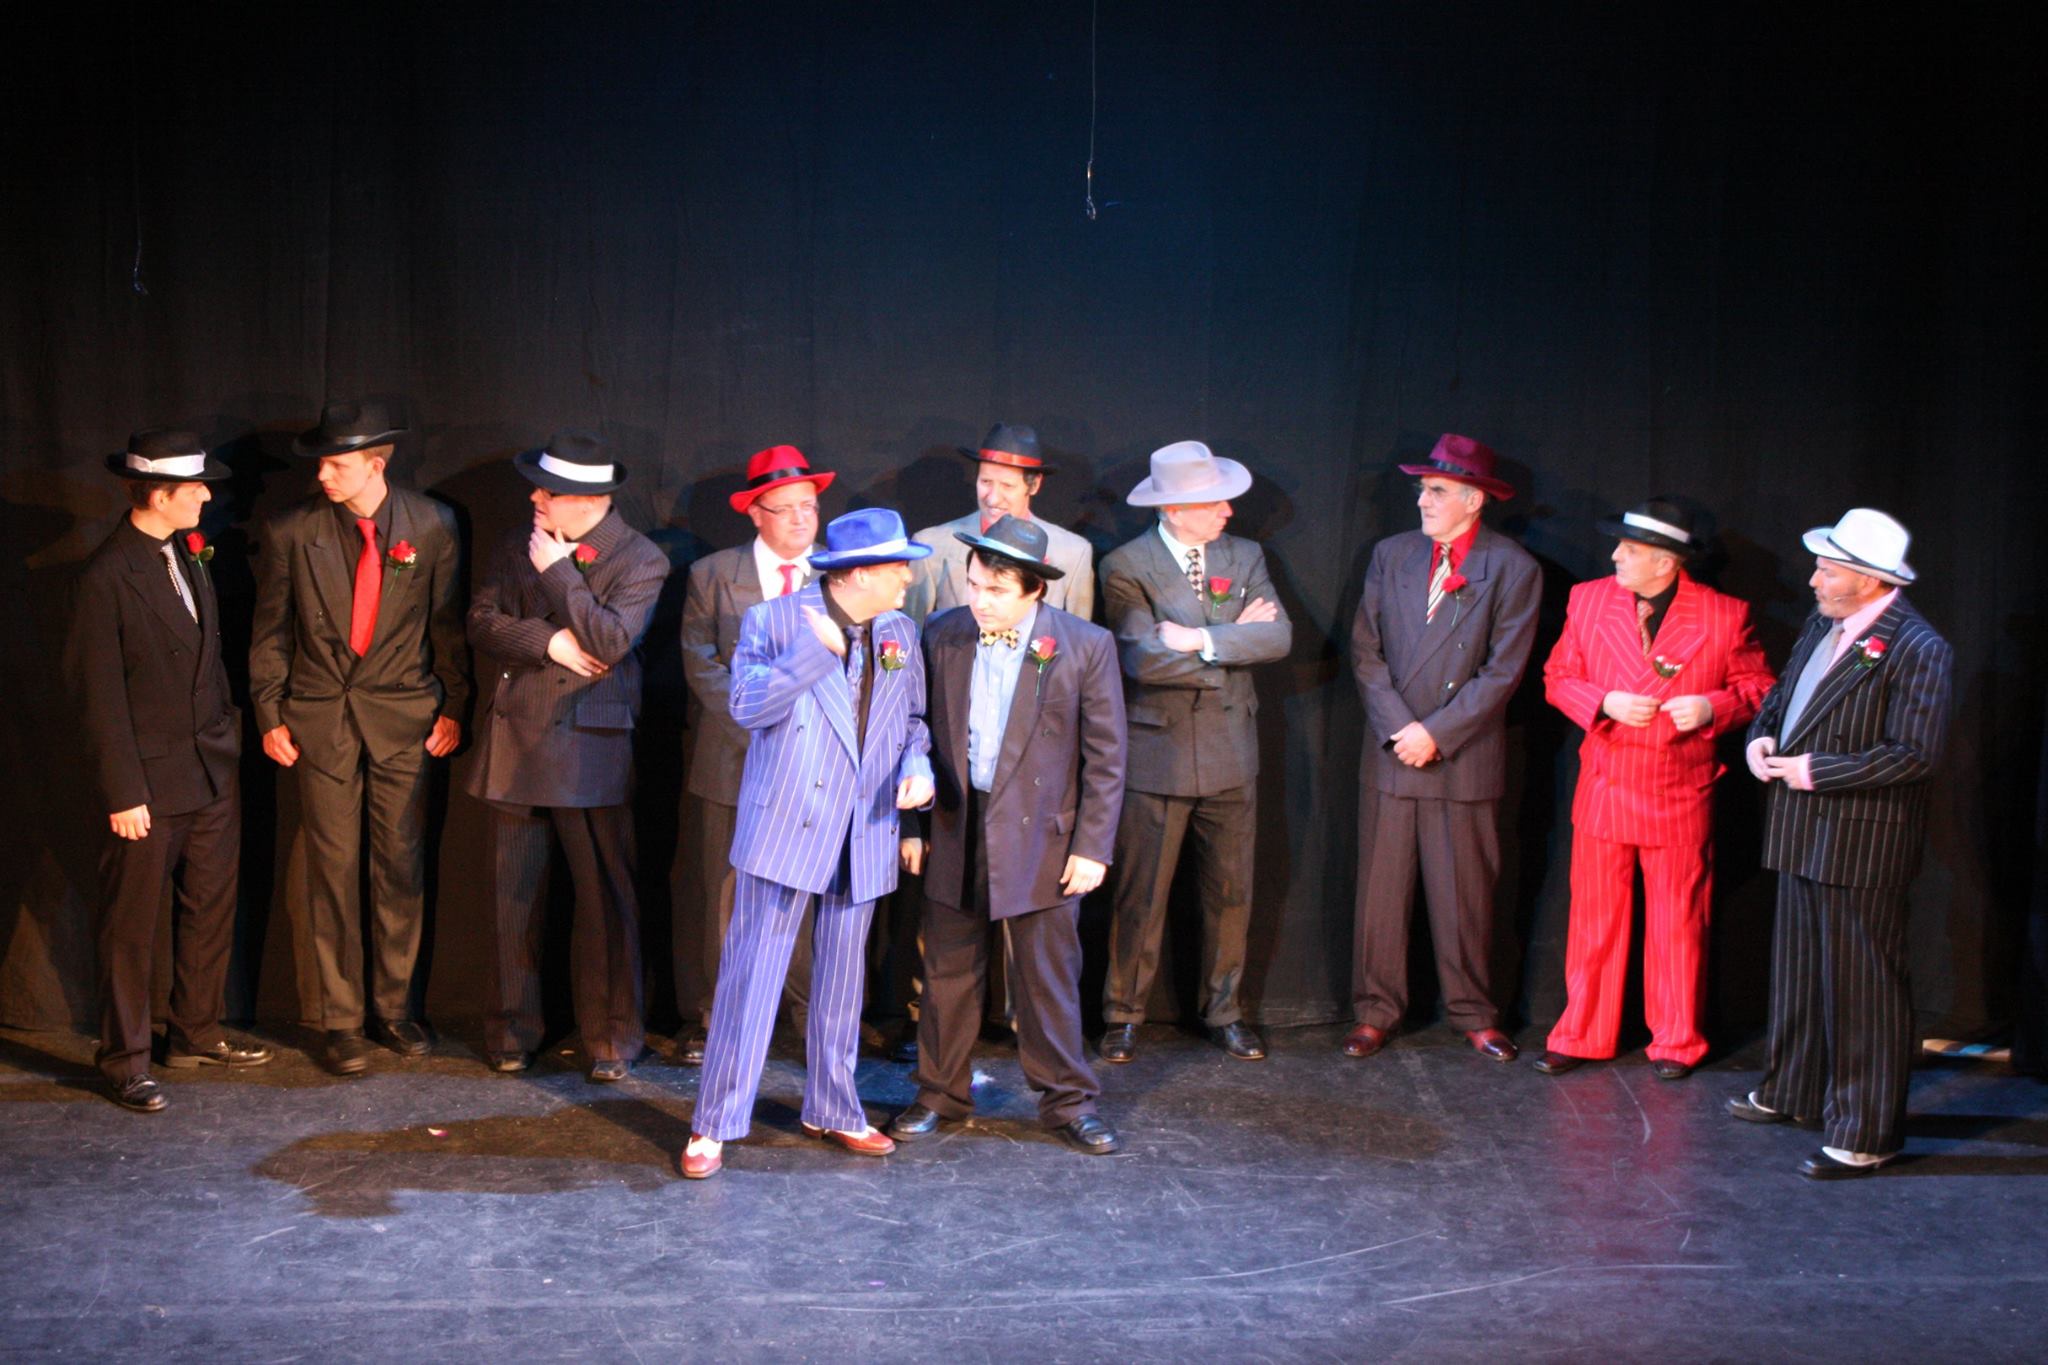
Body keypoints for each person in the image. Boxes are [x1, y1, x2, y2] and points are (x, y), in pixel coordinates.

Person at [682, 509, 935, 1179]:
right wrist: (810, 654)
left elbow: (912, 719)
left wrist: (918, 766)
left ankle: (833, 1105)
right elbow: (747, 707)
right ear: (857, 574)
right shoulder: (774, 621)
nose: (908, 578)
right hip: (788, 822)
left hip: (864, 825)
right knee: (753, 975)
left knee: (843, 982)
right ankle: (715, 1121)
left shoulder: (900, 631)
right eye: (897, 567)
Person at [888, 516, 1127, 1155]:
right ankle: (939, 1093)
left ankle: (1068, 1102)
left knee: (1047, 978)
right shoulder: (942, 633)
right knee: (947, 972)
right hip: (956, 824)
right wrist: (911, 826)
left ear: (1034, 591)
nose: (980, 600)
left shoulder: (1084, 645)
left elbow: (1107, 758)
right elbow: (911, 731)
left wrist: (1092, 845)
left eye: (995, 590)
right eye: (974, 585)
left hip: (1042, 835)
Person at [249, 398, 470, 1076]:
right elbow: (271, 630)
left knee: (400, 864)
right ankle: (340, 1019)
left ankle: (394, 1008)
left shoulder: (430, 524)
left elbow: (446, 624)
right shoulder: (293, 530)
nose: (322, 476)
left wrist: (454, 704)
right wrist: (269, 712)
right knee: (332, 868)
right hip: (322, 718)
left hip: (404, 715)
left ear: (376, 465)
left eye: (336, 465)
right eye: (320, 465)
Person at [1732, 508, 1952, 1179]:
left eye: (1827, 570)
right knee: (1798, 971)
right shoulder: (1822, 623)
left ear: (1868, 578)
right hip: (1800, 827)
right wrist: (1762, 738)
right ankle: (1791, 1090)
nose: (1814, 580)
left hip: (1861, 842)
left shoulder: (1918, 647)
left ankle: (1866, 1132)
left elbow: (1914, 753)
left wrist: (1815, 770)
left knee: (1864, 989)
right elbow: (1784, 698)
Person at [65, 430, 273, 1111]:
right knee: (131, 927)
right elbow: (98, 696)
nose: (207, 496)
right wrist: (124, 791)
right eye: (195, 488)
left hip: (210, 769)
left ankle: (195, 1031)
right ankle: (125, 1058)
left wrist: (226, 737)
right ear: (158, 495)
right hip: (149, 785)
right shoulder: (106, 576)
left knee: (209, 907)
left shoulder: (185, 553)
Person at [1535, 499, 1773, 1079]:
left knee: (1678, 922)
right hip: (1606, 784)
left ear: (1667, 562)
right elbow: (1557, 677)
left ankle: (1676, 1040)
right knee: (1594, 921)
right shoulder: (1588, 599)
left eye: (1632, 549)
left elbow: (1761, 690)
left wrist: (1712, 707)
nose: (1616, 555)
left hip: (1679, 789)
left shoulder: (1723, 615)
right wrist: (1603, 701)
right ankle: (1582, 1033)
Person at [466, 432, 671, 1081]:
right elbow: (481, 620)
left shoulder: (641, 558)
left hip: (590, 743)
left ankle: (610, 1038)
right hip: (518, 736)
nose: (534, 498)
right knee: (513, 896)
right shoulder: (516, 541)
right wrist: (548, 642)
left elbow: (610, 639)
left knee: (605, 899)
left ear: (584, 500)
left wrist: (558, 573)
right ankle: (510, 1029)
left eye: (546, 491)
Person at [1346, 434, 1540, 1065]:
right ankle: (1375, 1011)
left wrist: (1437, 734)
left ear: (1474, 500)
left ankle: (1474, 1013)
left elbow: (1503, 671)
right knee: (1381, 895)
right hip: (1393, 750)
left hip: (1461, 756)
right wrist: (1402, 728)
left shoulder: (1512, 567)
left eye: (1436, 491)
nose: (1423, 501)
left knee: (1465, 897)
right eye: (1422, 489)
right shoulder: (1392, 555)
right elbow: (1366, 651)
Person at [1098, 441, 1291, 1063]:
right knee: (1141, 896)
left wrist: (1198, 638)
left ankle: (1225, 1011)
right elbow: (1143, 659)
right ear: (1175, 509)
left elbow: (1278, 637)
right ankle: (1124, 1014)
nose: (1228, 512)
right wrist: (1232, 641)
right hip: (1159, 753)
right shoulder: (1126, 564)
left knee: (1231, 895)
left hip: (1233, 751)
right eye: (1214, 503)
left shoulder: (1246, 555)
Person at [675, 445, 830, 1064]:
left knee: (810, 895)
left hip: (815, 765)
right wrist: (759, 720)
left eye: (808, 506)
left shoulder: (840, 572)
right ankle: (721, 1019)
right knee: (726, 893)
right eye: (785, 508)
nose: (801, 519)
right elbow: (701, 664)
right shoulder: (713, 574)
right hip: (733, 758)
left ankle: (812, 1018)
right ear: (755, 513)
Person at [904, 423, 1094, 622]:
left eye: (1007, 486)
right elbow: (913, 632)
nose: (993, 498)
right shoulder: (931, 545)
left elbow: (1079, 636)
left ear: (1034, 485)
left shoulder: (1074, 552)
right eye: (985, 482)